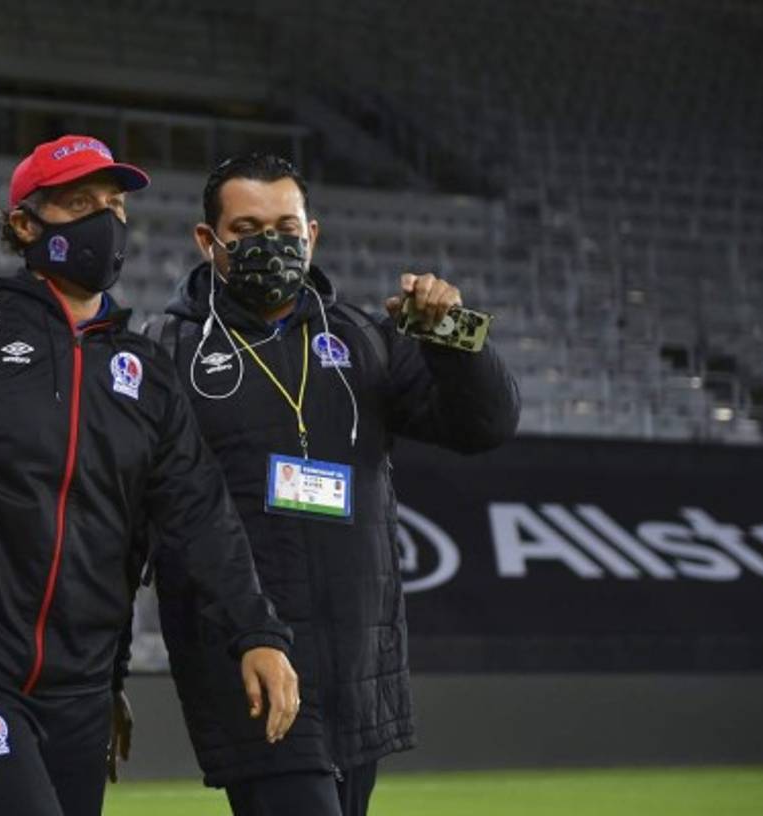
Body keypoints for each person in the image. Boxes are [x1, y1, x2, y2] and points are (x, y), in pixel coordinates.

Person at [0, 136, 299, 816]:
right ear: (24, 224)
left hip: (82, 688)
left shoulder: (144, 373)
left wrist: (258, 634)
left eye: (114, 205)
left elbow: (199, 518)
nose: (105, 220)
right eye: (79, 203)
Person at [147, 153, 520, 816]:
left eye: (287, 229)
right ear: (209, 242)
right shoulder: (166, 353)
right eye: (248, 228)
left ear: (312, 235)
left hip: (357, 663)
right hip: (247, 657)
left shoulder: (367, 338)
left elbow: (485, 426)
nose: (272, 245)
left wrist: (454, 337)